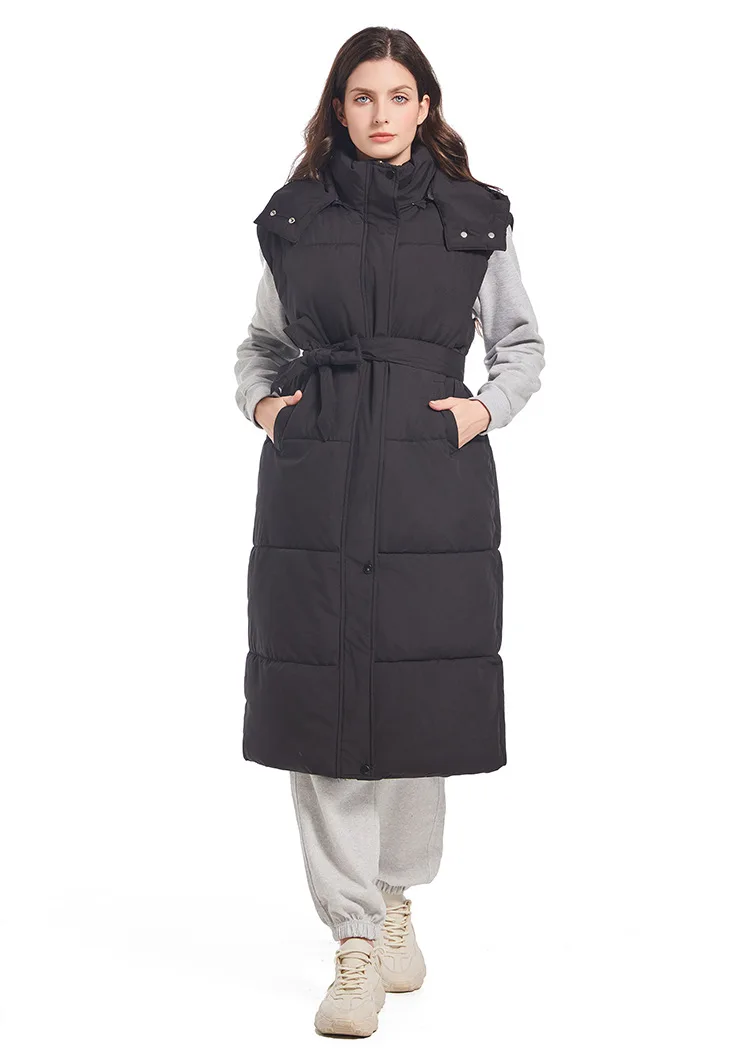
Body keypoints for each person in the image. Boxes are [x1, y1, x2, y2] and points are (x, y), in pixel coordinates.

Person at [234, 26, 545, 1038]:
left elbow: (522, 344)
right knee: (318, 700)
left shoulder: (475, 218)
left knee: (418, 699)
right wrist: (267, 408)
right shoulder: (295, 217)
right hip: (316, 483)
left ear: (425, 106)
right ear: (339, 107)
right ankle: (355, 938)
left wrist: (483, 411)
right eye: (361, 96)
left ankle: (397, 894)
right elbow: (260, 344)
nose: (379, 113)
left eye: (397, 96)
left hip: (429, 486)